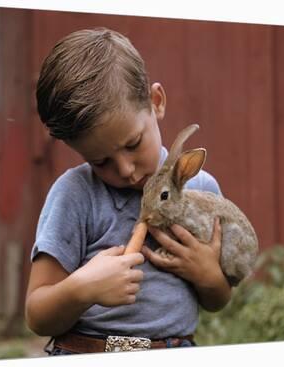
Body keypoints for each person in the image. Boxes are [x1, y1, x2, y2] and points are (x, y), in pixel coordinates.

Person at [25, 27, 231, 355]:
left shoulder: (200, 188)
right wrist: (82, 289)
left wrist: (208, 275)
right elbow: (37, 314)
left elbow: (217, 300)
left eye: (133, 144)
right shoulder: (75, 194)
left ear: (156, 102)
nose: (125, 170)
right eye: (100, 161)